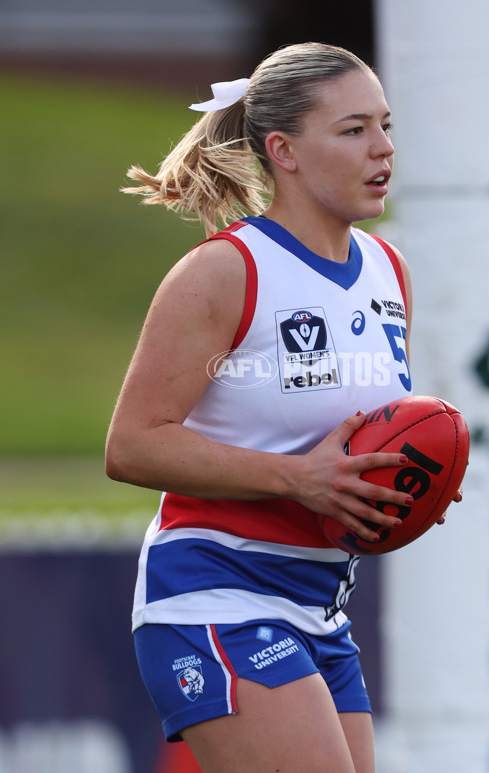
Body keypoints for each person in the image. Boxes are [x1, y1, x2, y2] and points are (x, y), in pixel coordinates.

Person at [106, 42, 454, 773]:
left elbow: (367, 444)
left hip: (321, 605)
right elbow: (132, 445)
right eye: (354, 129)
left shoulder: (389, 271)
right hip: (211, 591)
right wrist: (300, 478)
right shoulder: (225, 270)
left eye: (386, 125)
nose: (383, 148)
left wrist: (405, 487)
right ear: (283, 151)